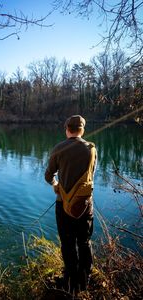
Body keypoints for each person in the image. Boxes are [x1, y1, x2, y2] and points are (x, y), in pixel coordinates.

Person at [45, 115, 97, 295]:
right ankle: (85, 278)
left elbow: (48, 176)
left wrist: (56, 185)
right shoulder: (91, 149)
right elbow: (91, 175)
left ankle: (70, 280)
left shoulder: (59, 149)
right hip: (85, 204)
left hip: (64, 204)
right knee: (84, 241)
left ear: (67, 128)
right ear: (82, 129)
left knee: (67, 243)